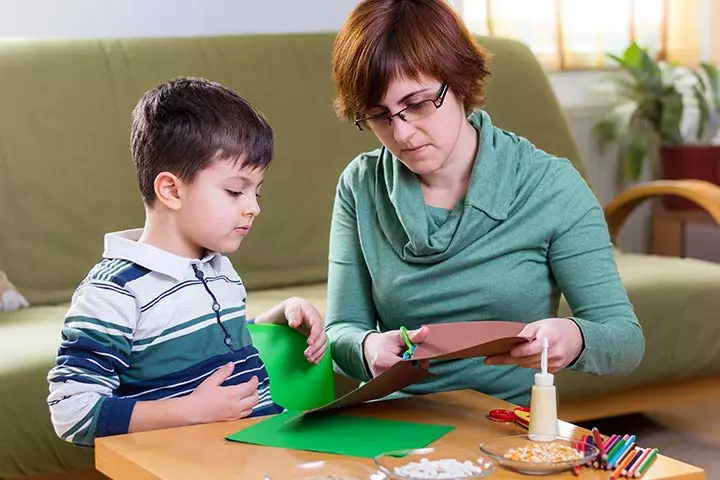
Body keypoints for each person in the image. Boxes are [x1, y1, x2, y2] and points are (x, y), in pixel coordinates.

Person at [325, 0, 645, 406]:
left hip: (507, 427)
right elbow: (341, 330)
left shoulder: (549, 185)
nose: (401, 133)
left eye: (418, 103)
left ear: (458, 81)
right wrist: (367, 348)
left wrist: (575, 338)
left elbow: (625, 339)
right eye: (378, 115)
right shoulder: (361, 184)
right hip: (395, 423)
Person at [47, 77, 327, 446]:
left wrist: (274, 317)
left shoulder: (217, 266)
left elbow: (194, 339)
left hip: (263, 447)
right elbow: (71, 412)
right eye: (235, 191)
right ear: (172, 190)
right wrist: (188, 411)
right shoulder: (115, 291)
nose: (254, 207)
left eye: (257, 191)